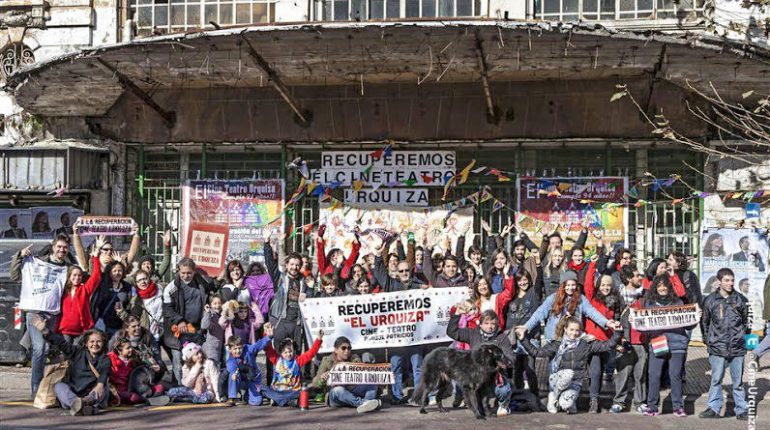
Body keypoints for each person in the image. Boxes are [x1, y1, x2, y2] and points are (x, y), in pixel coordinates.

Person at [517, 316, 622, 414]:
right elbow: (537, 353)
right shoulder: (557, 344)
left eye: (577, 330)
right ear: (565, 329)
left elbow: (607, 345)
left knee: (566, 404)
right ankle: (554, 395)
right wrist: (523, 339)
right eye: (571, 330)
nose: (574, 333)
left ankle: (562, 400)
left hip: (574, 383)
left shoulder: (585, 344)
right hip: (557, 379)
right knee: (568, 373)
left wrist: (617, 333)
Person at [11, 235, 73, 396]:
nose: (62, 250)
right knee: (40, 348)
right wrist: (19, 256)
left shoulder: (67, 267)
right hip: (34, 312)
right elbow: (15, 276)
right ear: (53, 246)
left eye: (65, 247)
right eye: (59, 246)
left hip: (52, 314)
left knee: (49, 348)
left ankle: (49, 386)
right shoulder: (36, 262)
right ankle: (36, 388)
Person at [29, 314, 109, 416]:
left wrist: (100, 385)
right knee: (59, 386)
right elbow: (61, 343)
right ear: (86, 343)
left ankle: (86, 405)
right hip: (73, 395)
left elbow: (105, 373)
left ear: (103, 343)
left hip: (92, 395)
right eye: (92, 341)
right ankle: (79, 405)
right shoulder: (77, 352)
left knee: (103, 387)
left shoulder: (105, 358)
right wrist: (45, 331)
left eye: (99, 342)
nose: (95, 344)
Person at [639, 275, 696, 417]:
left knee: (675, 375)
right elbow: (644, 326)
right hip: (658, 342)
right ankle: (652, 406)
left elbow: (689, 324)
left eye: (665, 285)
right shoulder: (649, 303)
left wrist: (695, 317)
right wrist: (635, 321)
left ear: (669, 287)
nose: (662, 288)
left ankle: (678, 407)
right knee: (654, 375)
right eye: (659, 286)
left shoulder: (678, 302)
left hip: (677, 343)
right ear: (655, 288)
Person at [699, 268, 750, 421]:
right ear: (719, 281)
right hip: (717, 347)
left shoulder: (741, 299)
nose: (730, 283)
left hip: (737, 347)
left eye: (732, 280)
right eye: (727, 280)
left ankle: (741, 409)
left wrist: (743, 339)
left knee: (738, 382)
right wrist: (708, 340)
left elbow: (747, 323)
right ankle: (714, 408)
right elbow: (705, 322)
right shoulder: (710, 300)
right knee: (716, 379)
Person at [447, 309, 515, 416]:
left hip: (494, 375)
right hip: (476, 374)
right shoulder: (473, 333)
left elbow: (510, 357)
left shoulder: (502, 337)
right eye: (486, 323)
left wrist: (498, 364)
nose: (490, 326)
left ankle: (503, 405)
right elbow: (452, 332)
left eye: (493, 323)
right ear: (481, 324)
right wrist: (456, 315)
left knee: (504, 390)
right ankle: (477, 406)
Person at [517, 272, 620, 343]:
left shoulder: (580, 299)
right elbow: (539, 313)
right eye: (568, 285)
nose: (571, 288)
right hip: (555, 339)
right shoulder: (553, 298)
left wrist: (606, 322)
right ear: (563, 285)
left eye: (573, 285)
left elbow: (592, 312)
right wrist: (526, 327)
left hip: (573, 339)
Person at [583, 253, 624, 413]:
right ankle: (593, 401)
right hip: (593, 342)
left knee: (599, 373)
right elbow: (587, 285)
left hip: (607, 343)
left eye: (608, 285)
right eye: (603, 284)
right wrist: (592, 265)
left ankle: (596, 397)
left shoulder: (615, 301)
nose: (606, 287)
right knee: (595, 370)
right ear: (598, 285)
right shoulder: (593, 299)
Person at [162, 258, 214, 384]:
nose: (186, 275)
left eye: (189, 273)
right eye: (183, 273)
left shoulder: (201, 283)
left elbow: (214, 287)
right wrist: (179, 321)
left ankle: (195, 388)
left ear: (194, 271)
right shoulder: (171, 287)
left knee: (197, 362)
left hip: (196, 331)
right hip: (178, 332)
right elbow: (167, 309)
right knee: (178, 362)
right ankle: (178, 389)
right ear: (178, 271)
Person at [611, 265, 647, 414]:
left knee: (641, 374)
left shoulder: (646, 295)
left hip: (641, 340)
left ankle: (640, 402)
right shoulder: (617, 296)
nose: (641, 278)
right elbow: (613, 316)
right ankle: (619, 401)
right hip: (624, 340)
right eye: (637, 276)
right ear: (628, 279)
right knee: (623, 372)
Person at [312, 336, 381, 413]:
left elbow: (363, 376)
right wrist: (322, 379)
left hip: (352, 391)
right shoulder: (327, 361)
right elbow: (315, 383)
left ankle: (367, 402)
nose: (347, 351)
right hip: (336, 395)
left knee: (373, 382)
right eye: (343, 348)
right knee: (338, 390)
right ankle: (363, 404)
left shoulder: (354, 359)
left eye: (349, 348)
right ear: (336, 350)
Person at [264, 236, 308, 352]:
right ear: (287, 265)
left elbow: (311, 298)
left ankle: (296, 371)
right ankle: (273, 371)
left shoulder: (305, 281)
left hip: (297, 323)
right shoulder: (279, 278)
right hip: (280, 320)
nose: (294, 267)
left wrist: (309, 293)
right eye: (292, 264)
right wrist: (267, 242)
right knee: (278, 352)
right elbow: (270, 263)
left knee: (296, 353)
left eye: (297, 265)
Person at [504, 270, 542, 395]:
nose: (523, 282)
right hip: (513, 338)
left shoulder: (533, 293)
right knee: (517, 369)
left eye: (525, 279)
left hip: (529, 338)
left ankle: (534, 396)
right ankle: (519, 396)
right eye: (520, 280)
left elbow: (539, 279)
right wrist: (505, 273)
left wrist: (537, 263)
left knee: (529, 368)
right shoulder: (512, 295)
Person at [57, 242, 102, 343]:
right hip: (65, 330)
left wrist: (95, 257)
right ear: (69, 276)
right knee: (66, 356)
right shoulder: (63, 290)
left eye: (79, 276)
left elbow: (96, 276)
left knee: (77, 356)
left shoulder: (84, 289)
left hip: (81, 331)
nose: (77, 277)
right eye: (74, 275)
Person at [262, 331, 323, 407]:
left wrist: (318, 339)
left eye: (290, 351)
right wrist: (266, 334)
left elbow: (311, 353)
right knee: (262, 388)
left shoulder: (298, 360)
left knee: (301, 392)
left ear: (293, 350)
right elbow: (269, 350)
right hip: (277, 390)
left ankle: (278, 400)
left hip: (292, 391)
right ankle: (285, 401)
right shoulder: (277, 359)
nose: (288, 354)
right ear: (281, 353)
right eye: (285, 352)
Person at [107, 335, 168, 406]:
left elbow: (148, 368)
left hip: (136, 388)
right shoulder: (110, 359)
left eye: (131, 347)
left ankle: (149, 398)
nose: (131, 349)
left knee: (160, 387)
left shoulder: (135, 357)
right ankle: (147, 400)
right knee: (133, 397)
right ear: (119, 351)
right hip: (120, 391)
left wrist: (153, 365)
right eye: (128, 348)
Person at [224, 323, 273, 406]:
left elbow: (259, 344)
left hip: (252, 378)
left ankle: (247, 395)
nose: (238, 351)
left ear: (243, 346)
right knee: (233, 375)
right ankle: (232, 398)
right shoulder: (231, 358)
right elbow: (231, 366)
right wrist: (234, 373)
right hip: (241, 380)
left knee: (256, 402)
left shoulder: (248, 349)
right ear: (230, 349)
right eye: (235, 349)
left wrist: (269, 337)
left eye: (240, 348)